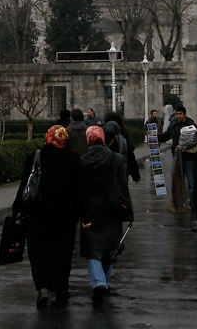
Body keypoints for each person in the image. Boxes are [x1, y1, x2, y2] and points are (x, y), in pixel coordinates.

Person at [12, 125, 81, 308]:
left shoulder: (36, 156)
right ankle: (61, 287)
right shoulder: (73, 159)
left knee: (38, 251)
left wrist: (17, 208)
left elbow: (26, 185)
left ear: (48, 138)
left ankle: (42, 286)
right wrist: (82, 213)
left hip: (38, 214)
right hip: (65, 216)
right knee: (63, 253)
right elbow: (80, 189)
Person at [79, 125, 132, 305]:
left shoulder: (83, 161)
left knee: (93, 249)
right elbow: (123, 186)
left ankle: (99, 282)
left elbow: (80, 191)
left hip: (92, 210)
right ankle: (104, 280)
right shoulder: (116, 159)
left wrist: (81, 214)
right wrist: (128, 213)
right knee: (110, 246)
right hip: (113, 209)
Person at [158, 106, 195, 212]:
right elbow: (166, 136)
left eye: (180, 114)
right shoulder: (173, 124)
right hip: (177, 158)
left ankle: (193, 205)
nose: (178, 116)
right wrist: (154, 136)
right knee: (177, 182)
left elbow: (196, 140)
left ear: (184, 114)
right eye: (177, 114)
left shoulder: (191, 125)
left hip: (188, 157)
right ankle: (177, 204)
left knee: (191, 182)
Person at [102, 114, 140, 184]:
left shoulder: (103, 133)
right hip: (122, 167)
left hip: (107, 168)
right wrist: (135, 175)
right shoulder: (123, 133)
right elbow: (130, 153)